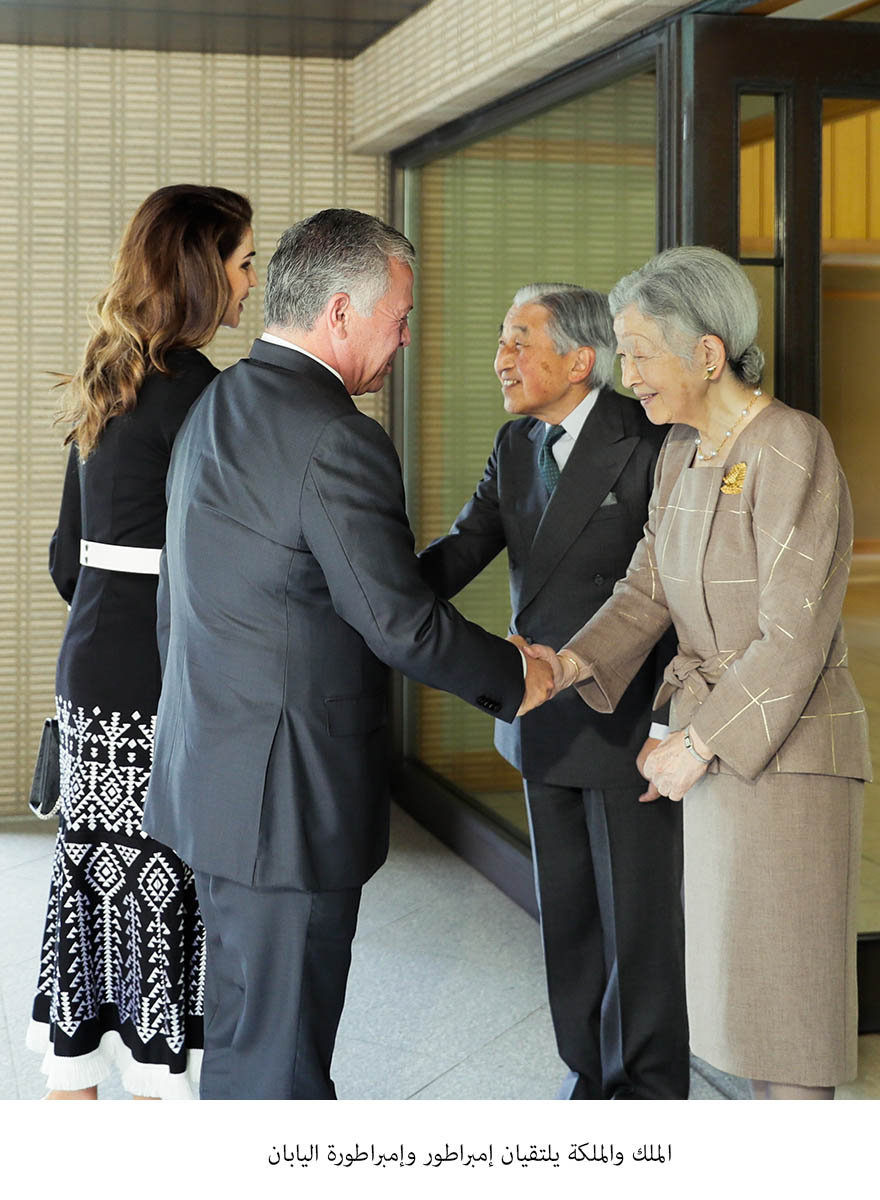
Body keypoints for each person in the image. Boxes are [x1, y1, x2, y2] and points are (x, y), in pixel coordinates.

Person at [142, 208, 556, 1101]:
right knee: (281, 1068)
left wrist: (467, 545)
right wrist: (523, 676)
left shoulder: (220, 403)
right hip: (285, 806)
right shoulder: (338, 436)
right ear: (340, 312)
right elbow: (396, 623)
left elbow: (311, 592)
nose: (406, 339)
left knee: (250, 1041)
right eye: (398, 319)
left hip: (213, 781)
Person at [531, 246, 871, 1100]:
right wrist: (571, 661)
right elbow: (646, 586)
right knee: (741, 1019)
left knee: (785, 1025)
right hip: (720, 756)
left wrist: (697, 745)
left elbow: (793, 635)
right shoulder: (680, 452)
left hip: (786, 763)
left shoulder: (792, 445)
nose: (627, 372)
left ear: (708, 353)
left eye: (641, 350)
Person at [418, 284, 688, 1100]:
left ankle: (642, 1092)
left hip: (627, 720)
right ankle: (588, 1071)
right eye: (502, 339)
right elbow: (465, 547)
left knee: (635, 924)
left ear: (580, 358)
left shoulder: (648, 441)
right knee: (568, 915)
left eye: (519, 340)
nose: (501, 357)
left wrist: (677, 719)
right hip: (539, 719)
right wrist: (372, 594)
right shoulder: (514, 443)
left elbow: (673, 590)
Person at [28, 184, 257, 1100]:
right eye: (244, 262)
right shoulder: (210, 396)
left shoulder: (107, 374)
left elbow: (62, 558)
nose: (252, 283)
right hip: (167, 681)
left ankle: (77, 1086)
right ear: (203, 269)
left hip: (91, 672)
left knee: (93, 889)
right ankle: (162, 1096)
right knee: (166, 892)